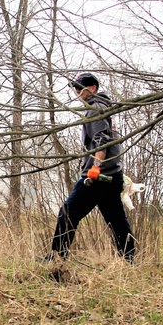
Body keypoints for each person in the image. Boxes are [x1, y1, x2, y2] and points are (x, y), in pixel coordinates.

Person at [46, 73, 135, 262]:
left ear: (92, 88)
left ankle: (57, 257)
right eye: (75, 88)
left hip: (97, 176)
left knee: (68, 213)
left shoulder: (95, 109)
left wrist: (95, 167)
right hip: (113, 175)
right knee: (117, 220)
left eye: (80, 88)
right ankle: (129, 260)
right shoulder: (107, 107)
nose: (77, 92)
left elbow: (101, 141)